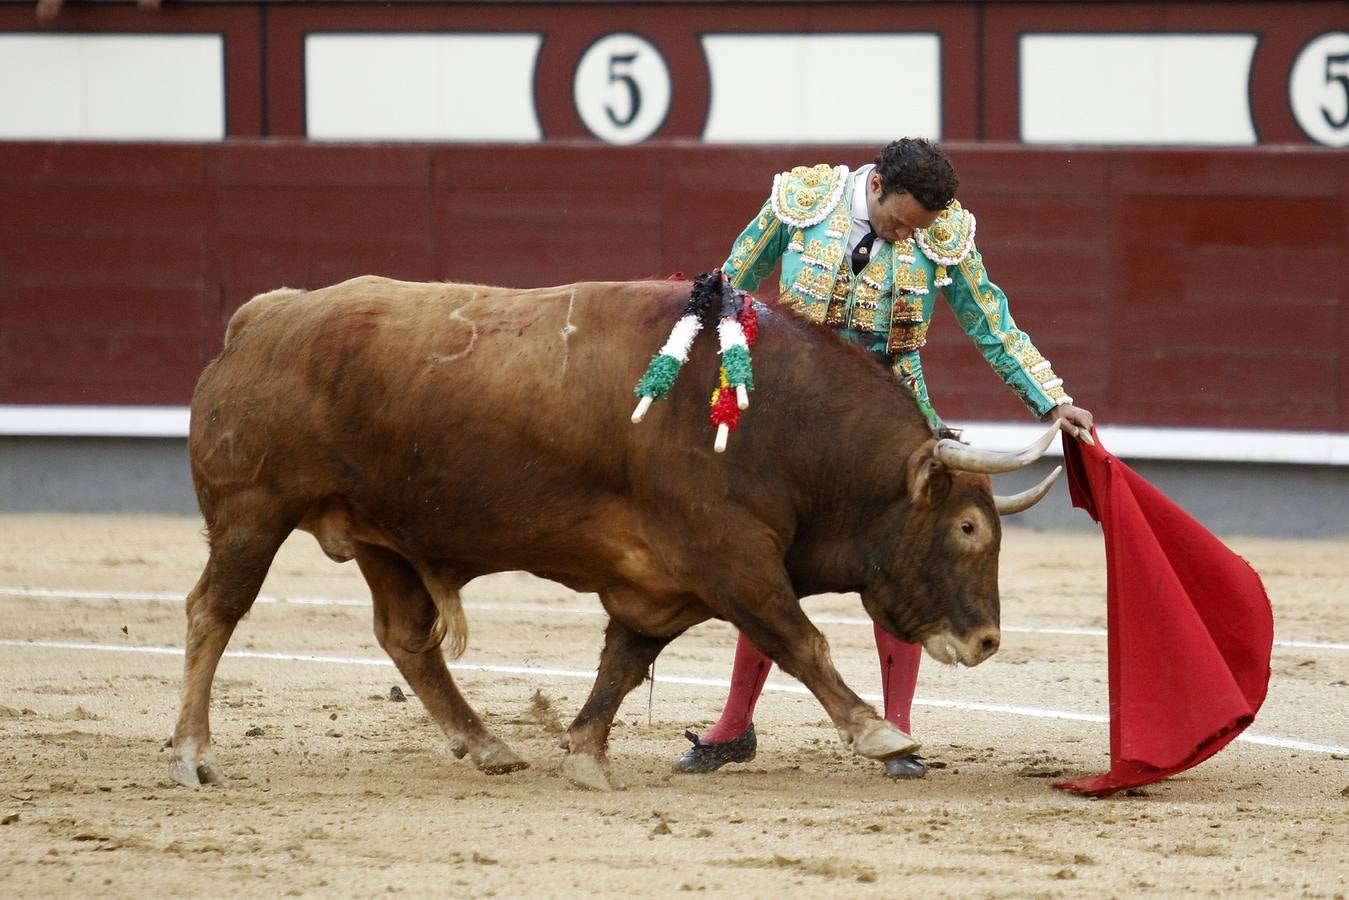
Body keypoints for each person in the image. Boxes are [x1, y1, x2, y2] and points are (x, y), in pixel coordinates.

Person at [673, 138, 1094, 779]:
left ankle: (895, 731)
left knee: (905, 561)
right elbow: (728, 291)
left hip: (895, 427)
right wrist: (719, 380)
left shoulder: (943, 234)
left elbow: (992, 322)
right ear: (876, 187)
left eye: (920, 227)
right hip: (797, 424)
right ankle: (734, 726)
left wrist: (1053, 402)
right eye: (902, 222)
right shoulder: (804, 202)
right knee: (767, 564)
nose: (909, 235)